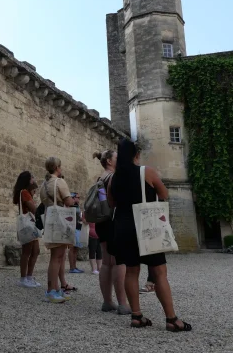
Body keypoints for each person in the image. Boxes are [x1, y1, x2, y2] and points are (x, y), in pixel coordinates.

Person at [109, 138, 192, 332]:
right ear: (136, 155)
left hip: (122, 226)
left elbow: (112, 204)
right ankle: (171, 319)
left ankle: (137, 316)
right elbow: (164, 195)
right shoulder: (146, 172)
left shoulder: (114, 178)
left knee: (131, 271)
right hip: (146, 226)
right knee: (159, 272)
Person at [93, 150, 131, 315]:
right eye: (117, 157)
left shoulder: (100, 178)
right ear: (109, 161)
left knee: (107, 262)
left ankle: (108, 301)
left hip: (102, 221)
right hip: (114, 221)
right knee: (118, 262)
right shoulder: (113, 177)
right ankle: (123, 303)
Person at [39, 156, 76, 303]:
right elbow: (68, 201)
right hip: (60, 220)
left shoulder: (44, 184)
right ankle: (51, 290)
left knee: (57, 255)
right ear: (58, 167)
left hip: (50, 218)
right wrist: (73, 200)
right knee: (57, 257)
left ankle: (56, 288)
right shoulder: (59, 182)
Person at [12, 171, 41, 288]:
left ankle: (29, 276)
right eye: (32, 178)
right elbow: (33, 209)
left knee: (35, 251)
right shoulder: (24, 192)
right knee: (27, 251)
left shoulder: (26, 192)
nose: (34, 179)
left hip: (31, 225)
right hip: (28, 225)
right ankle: (23, 278)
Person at [68, 192, 85, 274]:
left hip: (78, 228)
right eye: (78, 197)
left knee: (76, 248)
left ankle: (74, 266)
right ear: (73, 198)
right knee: (72, 248)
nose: (79, 199)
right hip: (73, 228)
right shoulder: (70, 205)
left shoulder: (77, 206)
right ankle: (71, 267)